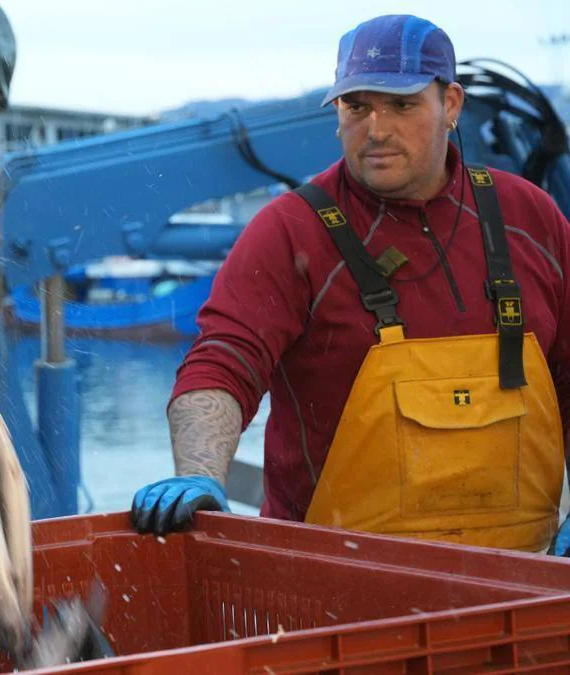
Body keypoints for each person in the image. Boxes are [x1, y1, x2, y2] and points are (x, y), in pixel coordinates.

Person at [130, 14, 570, 554]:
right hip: (336, 593)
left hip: (523, 588)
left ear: (450, 105)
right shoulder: (291, 230)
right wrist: (200, 473)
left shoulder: (531, 217)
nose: (377, 129)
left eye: (402, 105)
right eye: (356, 106)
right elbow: (222, 361)